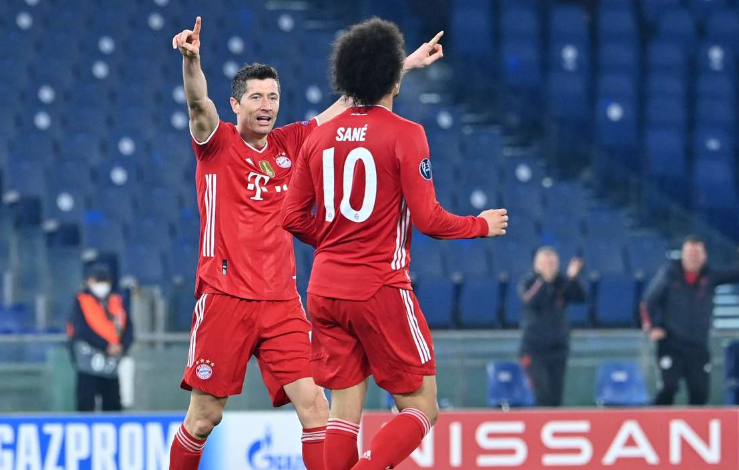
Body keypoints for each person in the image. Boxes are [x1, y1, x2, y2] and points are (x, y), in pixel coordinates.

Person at [167, 17, 445, 470]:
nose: (266, 106)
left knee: (317, 409)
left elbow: (350, 100)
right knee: (204, 418)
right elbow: (198, 101)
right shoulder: (216, 143)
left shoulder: (292, 142)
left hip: (282, 303)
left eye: (273, 97)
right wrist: (191, 62)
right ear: (235, 103)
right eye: (256, 97)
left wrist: (402, 66)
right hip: (224, 298)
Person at [281, 18, 508, 470]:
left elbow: (290, 216)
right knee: (422, 407)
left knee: (344, 411)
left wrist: (336, 241)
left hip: (325, 289)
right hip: (378, 288)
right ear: (394, 80)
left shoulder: (319, 136)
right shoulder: (406, 133)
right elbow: (428, 219)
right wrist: (479, 225)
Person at [641, 236, 739, 405]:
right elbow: (648, 302)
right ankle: (657, 421)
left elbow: (737, 273)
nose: (693, 258)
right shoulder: (669, 274)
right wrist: (652, 327)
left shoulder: (710, 276)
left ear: (704, 256)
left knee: (700, 393)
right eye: (690, 254)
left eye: (697, 254)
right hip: (671, 344)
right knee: (668, 388)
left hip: (698, 346)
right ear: (683, 255)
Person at [517, 246, 585, 407]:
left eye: (553, 263)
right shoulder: (528, 282)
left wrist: (572, 278)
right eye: (546, 263)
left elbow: (580, 297)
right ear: (536, 264)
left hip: (558, 348)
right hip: (534, 349)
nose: (550, 266)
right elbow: (530, 301)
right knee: (541, 394)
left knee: (556, 396)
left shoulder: (561, 282)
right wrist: (544, 280)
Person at [67, 264, 133, 412]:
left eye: (104, 281)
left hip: (112, 364)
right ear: (89, 281)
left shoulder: (117, 301)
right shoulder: (80, 301)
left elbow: (128, 328)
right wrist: (105, 346)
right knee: (86, 402)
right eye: (97, 281)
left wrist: (122, 346)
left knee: (113, 403)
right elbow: (81, 330)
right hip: (88, 363)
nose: (101, 285)